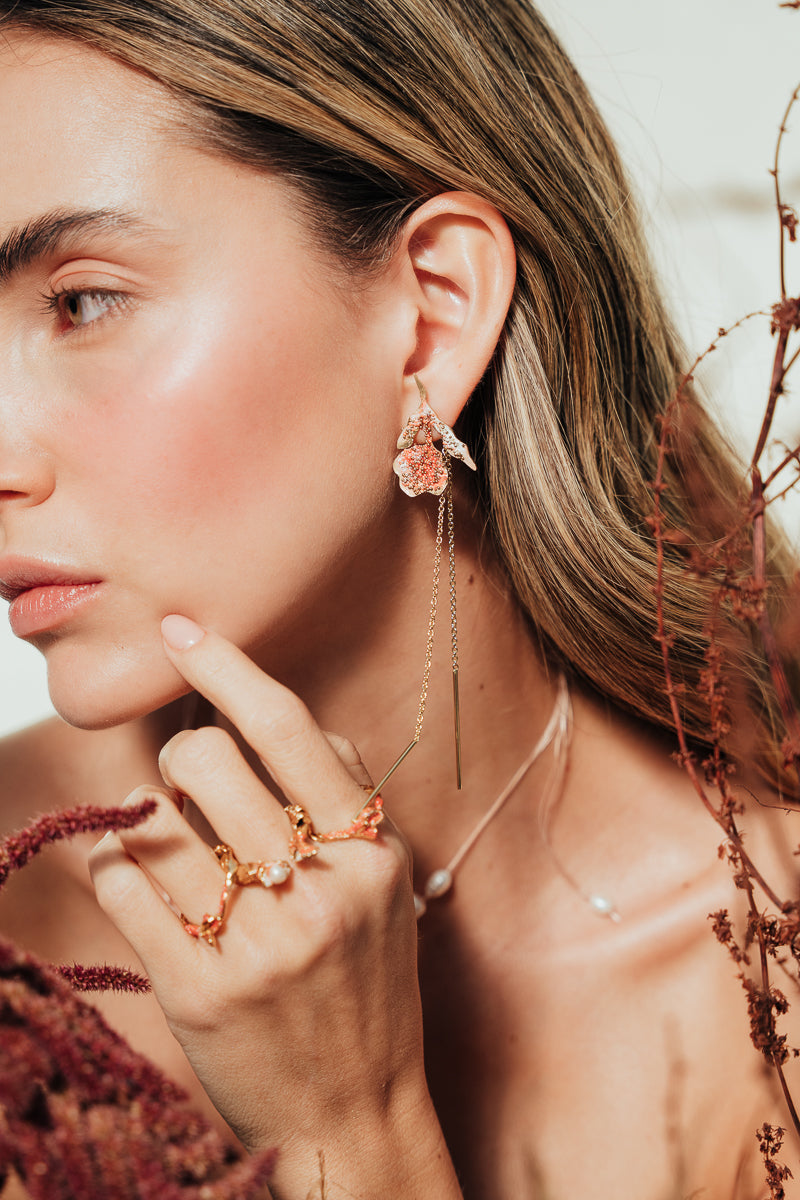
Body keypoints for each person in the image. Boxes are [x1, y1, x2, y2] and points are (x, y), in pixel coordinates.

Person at [1, 1, 799, 1196]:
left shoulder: (764, 979)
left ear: (431, 313)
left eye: (83, 302)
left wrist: (348, 1127)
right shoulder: (19, 910)